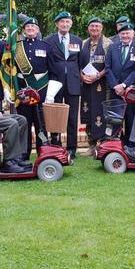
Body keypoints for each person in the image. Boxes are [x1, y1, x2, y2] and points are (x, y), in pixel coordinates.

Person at [14, 17, 54, 160]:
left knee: (40, 124)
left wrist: (50, 93)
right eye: (27, 27)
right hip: (24, 92)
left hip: (41, 91)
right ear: (24, 30)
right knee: (24, 123)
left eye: (33, 27)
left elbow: (52, 70)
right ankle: (24, 154)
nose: (30, 29)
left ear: (37, 30)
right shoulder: (17, 47)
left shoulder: (46, 46)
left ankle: (42, 150)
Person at [44, 11, 82, 159]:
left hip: (73, 83)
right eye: (62, 22)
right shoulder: (49, 41)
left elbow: (81, 62)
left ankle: (72, 148)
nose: (65, 24)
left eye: (67, 22)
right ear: (57, 24)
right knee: (55, 115)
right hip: (55, 83)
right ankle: (56, 144)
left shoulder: (77, 40)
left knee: (72, 117)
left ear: (71, 24)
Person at [105, 21, 135, 145]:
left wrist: (124, 85)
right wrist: (116, 86)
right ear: (119, 34)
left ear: (133, 34)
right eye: (122, 33)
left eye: (128, 33)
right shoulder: (112, 47)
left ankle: (132, 145)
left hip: (131, 91)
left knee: (131, 118)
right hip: (115, 90)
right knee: (115, 119)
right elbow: (108, 68)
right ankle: (115, 145)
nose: (125, 36)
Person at [79, 17, 111, 157]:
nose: (94, 29)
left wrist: (98, 76)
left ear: (102, 28)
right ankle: (91, 145)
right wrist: (82, 76)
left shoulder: (108, 44)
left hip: (102, 85)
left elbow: (109, 65)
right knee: (88, 112)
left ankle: (102, 144)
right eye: (92, 26)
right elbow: (78, 64)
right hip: (86, 84)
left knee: (101, 113)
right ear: (88, 28)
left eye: (97, 26)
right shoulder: (83, 43)